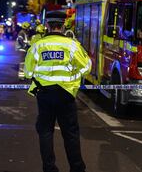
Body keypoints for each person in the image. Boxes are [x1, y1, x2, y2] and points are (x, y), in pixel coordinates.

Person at [24, 13, 91, 172]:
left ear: (47, 26)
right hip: (66, 94)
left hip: (44, 94)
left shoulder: (37, 45)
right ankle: (77, 168)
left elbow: (27, 72)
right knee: (71, 133)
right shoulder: (72, 45)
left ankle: (49, 168)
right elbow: (87, 68)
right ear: (62, 26)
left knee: (45, 131)